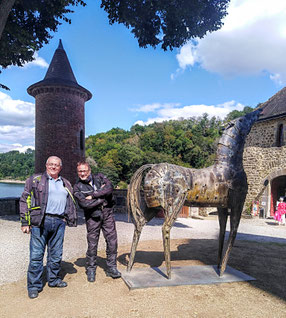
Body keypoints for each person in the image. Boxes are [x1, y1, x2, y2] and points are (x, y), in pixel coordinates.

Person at [20, 156, 77, 299]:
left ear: (60, 167)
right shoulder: (35, 180)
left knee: (56, 254)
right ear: (46, 165)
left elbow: (71, 201)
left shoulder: (66, 183)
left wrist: (67, 218)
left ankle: (53, 280)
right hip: (40, 221)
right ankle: (34, 285)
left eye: (56, 165)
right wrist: (25, 222)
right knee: (36, 256)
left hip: (59, 222)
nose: (53, 167)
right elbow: (25, 199)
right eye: (51, 164)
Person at [73, 161, 121, 282]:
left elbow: (110, 188)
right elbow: (85, 204)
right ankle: (91, 269)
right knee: (92, 243)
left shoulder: (100, 177)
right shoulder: (77, 187)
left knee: (112, 241)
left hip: (107, 213)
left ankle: (112, 267)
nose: (82, 173)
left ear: (89, 170)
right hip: (92, 216)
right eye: (80, 171)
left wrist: (94, 195)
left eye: (84, 171)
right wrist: (102, 199)